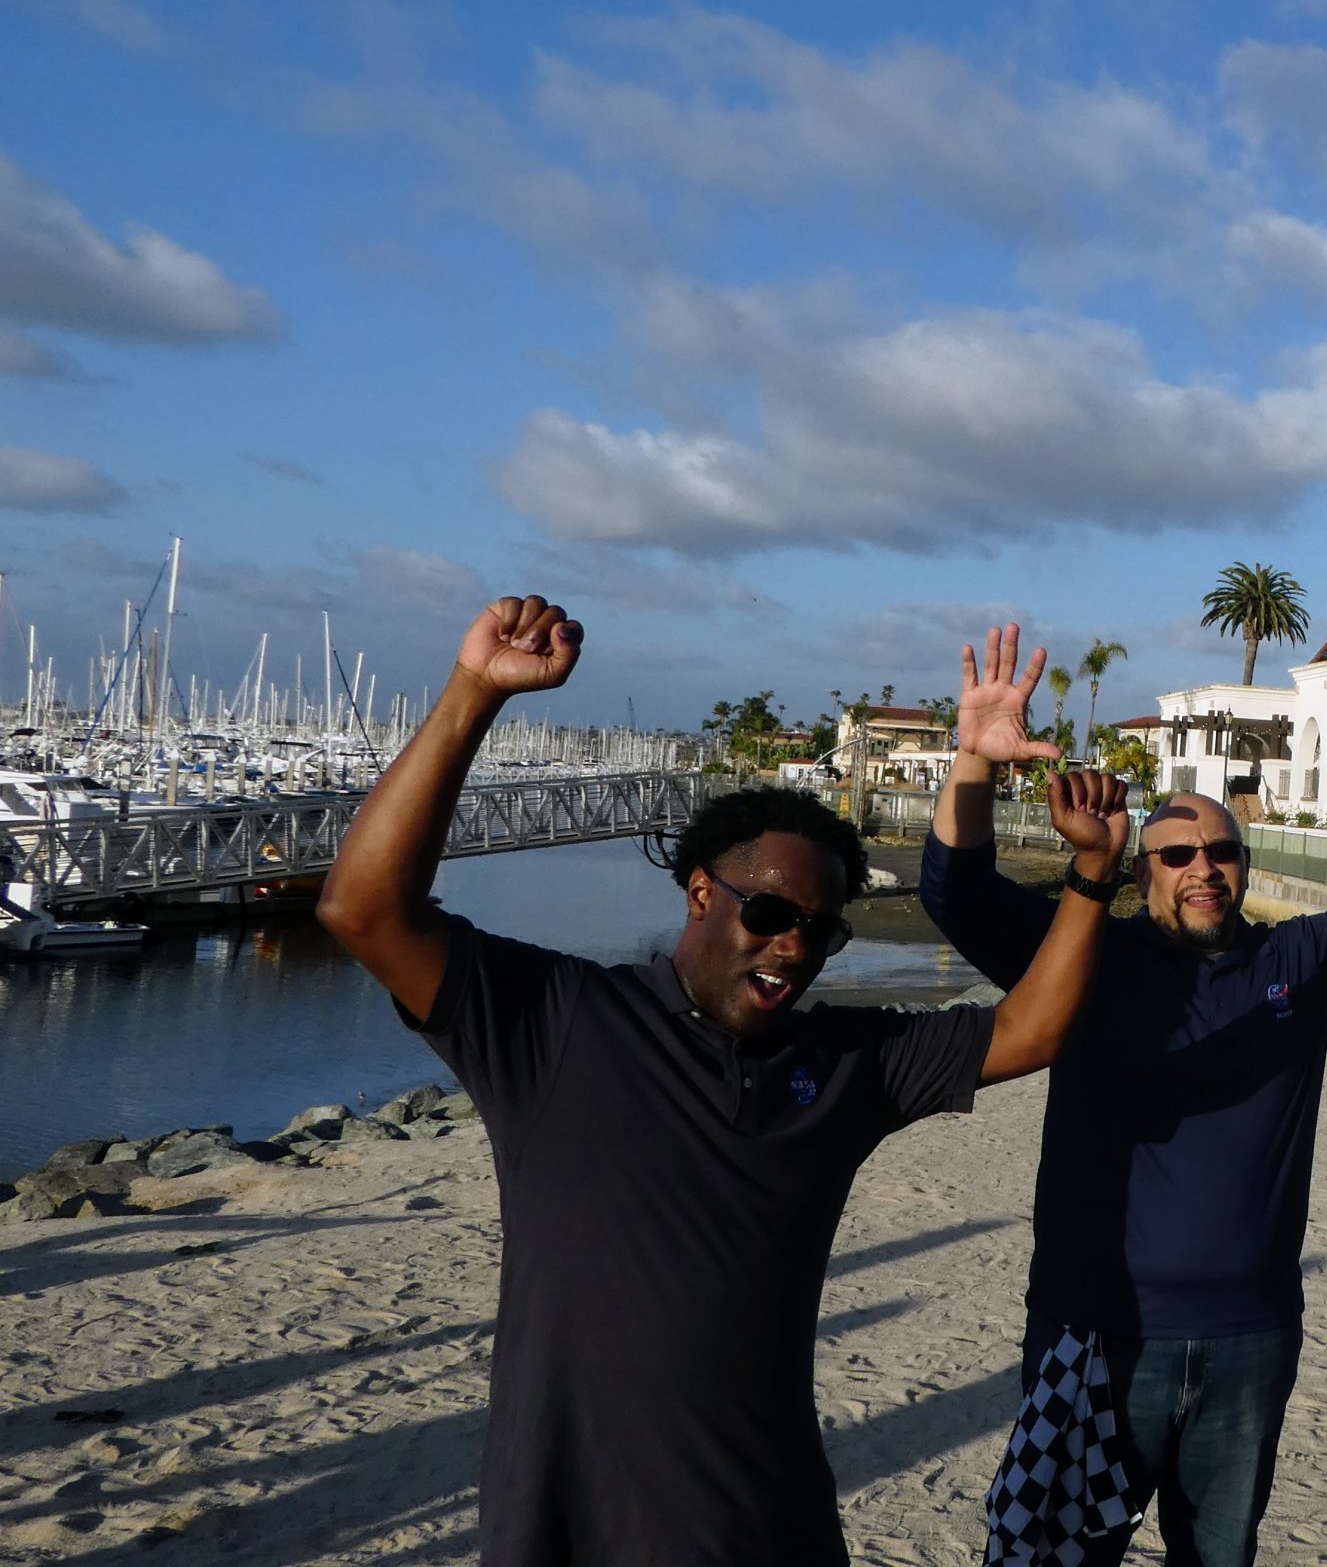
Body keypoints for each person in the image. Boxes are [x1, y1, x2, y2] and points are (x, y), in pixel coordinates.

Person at [317, 596, 1124, 1567]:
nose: (793, 944)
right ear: (702, 891)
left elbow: (1031, 1031)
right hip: (564, 1530)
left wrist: (1089, 876)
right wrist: (474, 693)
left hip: (767, 1530)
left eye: (820, 930)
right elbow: (362, 908)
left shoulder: (844, 1063)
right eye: (771, 910)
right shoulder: (557, 1023)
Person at [919, 630, 1327, 1567]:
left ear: (1246, 868)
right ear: (1143, 875)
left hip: (1251, 1342)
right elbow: (956, 893)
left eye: (1222, 851)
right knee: (1059, 1554)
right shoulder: (1084, 956)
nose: (1203, 868)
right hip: (1095, 1332)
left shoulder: (1295, 962)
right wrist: (973, 756)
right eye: (1177, 855)